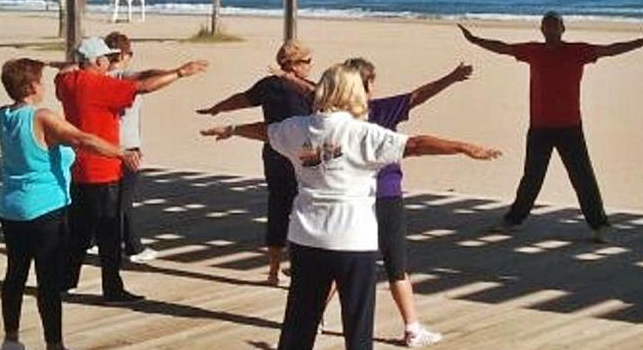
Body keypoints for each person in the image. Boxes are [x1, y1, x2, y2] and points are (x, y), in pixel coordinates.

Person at [200, 64, 501, 350]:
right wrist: (464, 148)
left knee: (298, 326)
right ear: (352, 94)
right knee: (357, 328)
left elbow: (266, 131)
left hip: (307, 238)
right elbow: (416, 144)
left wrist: (233, 128)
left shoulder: (296, 129)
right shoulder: (363, 134)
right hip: (353, 241)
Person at [277, 58, 474, 347]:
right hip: (373, 206)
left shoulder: (313, 123)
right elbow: (417, 135)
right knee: (391, 268)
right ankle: (412, 327)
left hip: (316, 230)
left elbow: (307, 97)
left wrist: (235, 125)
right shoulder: (372, 117)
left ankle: (406, 325)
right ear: (364, 86)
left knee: (326, 282)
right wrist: (462, 146)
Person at [0, 58, 134, 350]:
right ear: (31, 86)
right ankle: (55, 344)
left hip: (11, 209)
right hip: (44, 211)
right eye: (41, 80)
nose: (44, 85)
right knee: (47, 281)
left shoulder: (3, 116)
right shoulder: (41, 117)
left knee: (15, 273)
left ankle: (11, 339)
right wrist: (120, 152)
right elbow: (82, 138)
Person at [459, 12, 643, 242]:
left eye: (554, 25)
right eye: (546, 25)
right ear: (541, 30)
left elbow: (610, 49)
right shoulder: (533, 51)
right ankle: (513, 220)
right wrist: (476, 40)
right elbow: (503, 47)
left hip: (570, 127)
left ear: (563, 28)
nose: (550, 29)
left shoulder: (578, 51)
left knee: (583, 177)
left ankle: (600, 225)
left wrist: (641, 42)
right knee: (532, 177)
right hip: (539, 128)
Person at [57, 36, 207, 303]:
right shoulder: (99, 85)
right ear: (98, 61)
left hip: (78, 168)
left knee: (79, 231)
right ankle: (112, 289)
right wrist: (180, 73)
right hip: (103, 169)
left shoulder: (66, 83)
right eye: (107, 58)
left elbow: (64, 71)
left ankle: (65, 281)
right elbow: (142, 87)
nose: (110, 62)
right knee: (109, 234)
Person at [197, 40, 314, 285]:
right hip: (301, 155)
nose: (310, 66)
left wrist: (218, 108)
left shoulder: (268, 85)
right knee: (305, 208)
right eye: (307, 61)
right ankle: (299, 267)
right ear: (293, 65)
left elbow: (242, 99)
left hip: (273, 150)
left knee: (278, 207)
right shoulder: (307, 89)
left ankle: (274, 271)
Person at [103, 31, 158, 263]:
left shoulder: (96, 78)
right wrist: (176, 73)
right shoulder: (124, 77)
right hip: (126, 144)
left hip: (106, 143)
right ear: (125, 54)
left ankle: (98, 239)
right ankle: (133, 246)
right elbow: (143, 78)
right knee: (125, 199)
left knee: (107, 197)